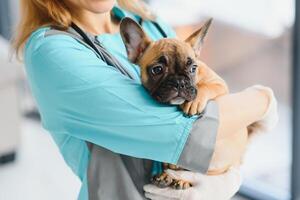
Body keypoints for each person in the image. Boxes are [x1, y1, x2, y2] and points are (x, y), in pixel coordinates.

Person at [13, 0, 278, 199]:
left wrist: (228, 174)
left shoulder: (147, 21)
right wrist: (261, 100)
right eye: (157, 70)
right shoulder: (53, 50)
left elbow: (211, 90)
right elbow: (191, 133)